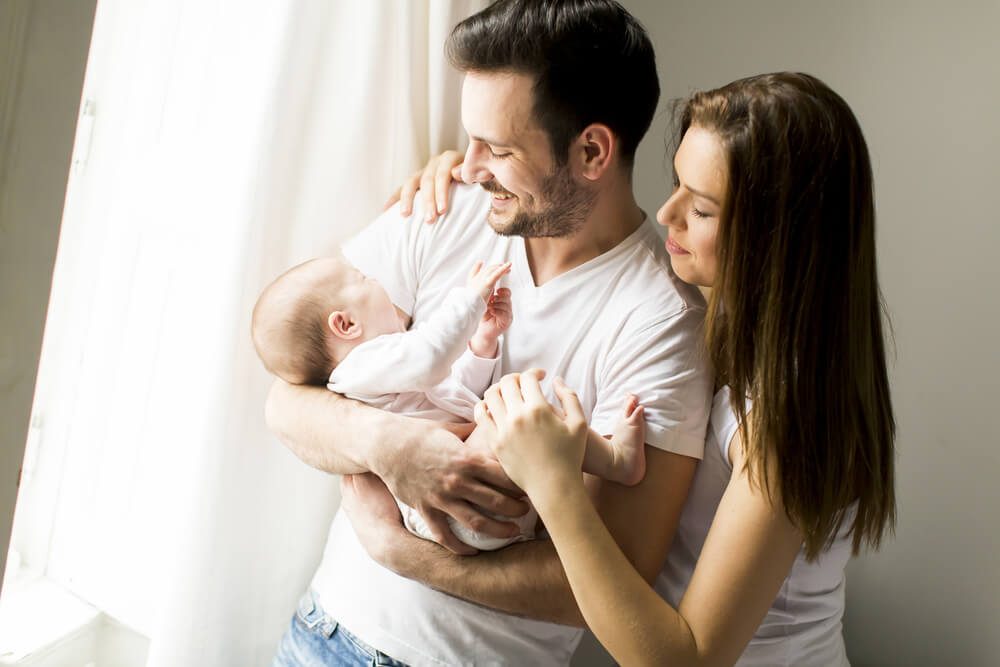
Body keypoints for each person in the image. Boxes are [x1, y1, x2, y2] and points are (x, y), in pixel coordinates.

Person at [358, 71, 897, 666]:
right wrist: (472, 173)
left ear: (781, 237)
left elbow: (685, 660)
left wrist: (555, 484)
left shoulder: (789, 414)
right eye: (676, 185)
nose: (667, 214)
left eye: (702, 208)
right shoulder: (720, 332)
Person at [265, 1, 713, 665]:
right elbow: (288, 400)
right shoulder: (445, 209)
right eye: (471, 141)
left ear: (591, 150)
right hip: (321, 634)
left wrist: (405, 553)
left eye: (497, 149)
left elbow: (615, 575)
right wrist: (392, 446)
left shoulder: (663, 321)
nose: (469, 167)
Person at [250, 256, 647, 551]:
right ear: (345, 324)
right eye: (362, 278)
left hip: (474, 502)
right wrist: (469, 301)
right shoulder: (360, 366)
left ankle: (559, 495)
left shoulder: (385, 375)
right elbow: (430, 357)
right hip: (456, 512)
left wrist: (482, 343)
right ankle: (614, 461)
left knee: (512, 412)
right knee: (516, 406)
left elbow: (453, 393)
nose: (376, 279)